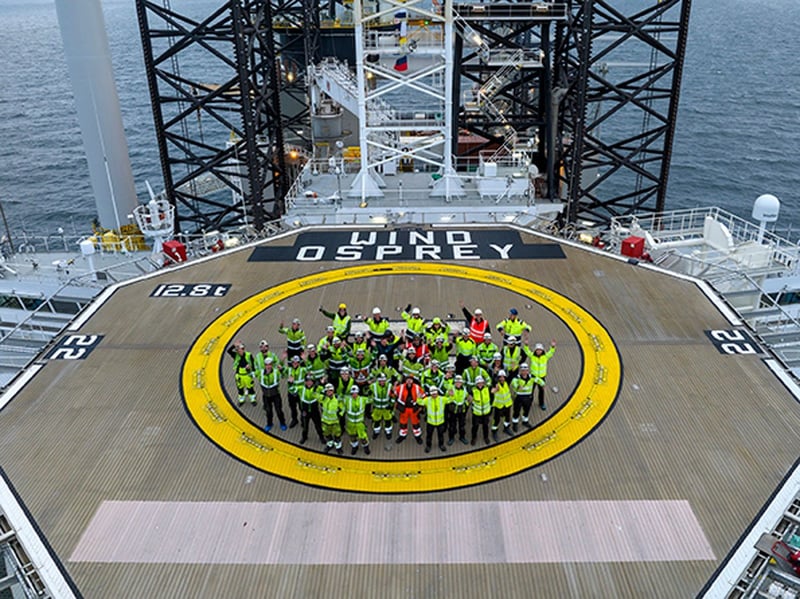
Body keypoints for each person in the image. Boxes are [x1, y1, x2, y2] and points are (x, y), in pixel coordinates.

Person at [257, 356, 287, 432]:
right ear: (265, 365)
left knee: (279, 410)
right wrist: (248, 369)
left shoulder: (276, 372)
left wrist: (282, 367)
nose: (268, 366)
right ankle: (269, 424)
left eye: (270, 364)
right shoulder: (260, 372)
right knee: (268, 411)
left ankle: (282, 423)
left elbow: (284, 375)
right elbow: (251, 374)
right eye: (267, 365)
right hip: (266, 396)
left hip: (275, 395)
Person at [394, 373, 425, 444]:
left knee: (416, 424)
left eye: (410, 380)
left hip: (414, 408)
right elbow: (394, 394)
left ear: (413, 380)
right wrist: (397, 406)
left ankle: (418, 436)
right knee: (403, 423)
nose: (409, 381)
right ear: (405, 380)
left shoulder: (417, 387)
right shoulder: (400, 387)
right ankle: (402, 436)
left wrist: (420, 407)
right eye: (407, 379)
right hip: (403, 408)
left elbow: (424, 397)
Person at [527, 339, 557, 410]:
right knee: (531, 391)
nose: (538, 351)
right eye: (537, 350)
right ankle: (529, 402)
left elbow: (551, 353)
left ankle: (541, 403)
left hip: (541, 377)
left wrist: (552, 347)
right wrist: (526, 345)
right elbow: (527, 351)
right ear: (535, 350)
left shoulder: (545, 357)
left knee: (541, 391)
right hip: (533, 377)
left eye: (540, 350)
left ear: (542, 351)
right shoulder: (532, 356)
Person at [418, 387, 450, 453]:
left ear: (437, 392)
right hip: (430, 422)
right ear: (430, 394)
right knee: (429, 435)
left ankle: (441, 445)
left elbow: (450, 400)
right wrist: (418, 398)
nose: (434, 395)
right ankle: (428, 446)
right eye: (433, 394)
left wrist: (452, 395)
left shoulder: (442, 399)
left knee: (441, 435)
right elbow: (420, 402)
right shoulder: (427, 400)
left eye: (435, 393)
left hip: (440, 422)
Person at [297, 373, 324, 445]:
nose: (309, 383)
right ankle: (304, 437)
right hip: (305, 411)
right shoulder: (301, 388)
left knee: (318, 425)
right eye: (307, 381)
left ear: (313, 382)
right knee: (305, 426)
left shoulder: (317, 388)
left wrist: (323, 384)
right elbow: (292, 390)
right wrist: (290, 383)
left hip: (314, 411)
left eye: (311, 381)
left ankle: (321, 437)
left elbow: (325, 391)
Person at [344, 385, 371, 455]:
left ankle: (366, 447)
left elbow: (372, 399)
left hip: (360, 423)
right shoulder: (346, 400)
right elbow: (339, 401)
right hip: (350, 424)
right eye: (353, 393)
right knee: (352, 437)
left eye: (356, 393)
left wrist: (369, 391)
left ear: (358, 392)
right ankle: (354, 447)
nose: (354, 395)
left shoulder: (363, 399)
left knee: (363, 437)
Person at [319, 383, 344, 454]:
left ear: (333, 391)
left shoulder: (337, 399)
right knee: (327, 434)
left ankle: (338, 447)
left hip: (335, 422)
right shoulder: (323, 398)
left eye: (330, 391)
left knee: (337, 435)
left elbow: (343, 408)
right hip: (325, 421)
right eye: (327, 391)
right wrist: (321, 385)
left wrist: (340, 414)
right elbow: (314, 394)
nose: (329, 392)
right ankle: (330, 444)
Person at [445, 374, 469, 445]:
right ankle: (451, 438)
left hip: (462, 410)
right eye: (457, 382)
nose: (458, 384)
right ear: (454, 382)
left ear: (462, 383)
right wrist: (449, 394)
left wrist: (467, 403)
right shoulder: (451, 388)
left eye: (459, 382)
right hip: (453, 411)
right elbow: (446, 398)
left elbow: (467, 397)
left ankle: (462, 437)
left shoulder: (464, 389)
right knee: (452, 426)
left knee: (462, 426)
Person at [370, 373, 395, 439]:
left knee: (388, 421)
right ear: (378, 380)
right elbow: (369, 395)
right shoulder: (373, 386)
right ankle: (376, 432)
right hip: (377, 408)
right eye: (380, 381)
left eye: (383, 381)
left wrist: (391, 405)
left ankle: (388, 432)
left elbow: (393, 397)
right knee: (376, 421)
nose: (382, 382)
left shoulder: (389, 386)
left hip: (386, 408)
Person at [511, 362, 534, 431]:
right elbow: (513, 383)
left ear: (527, 371)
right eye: (522, 371)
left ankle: (525, 421)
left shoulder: (531, 377)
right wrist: (518, 386)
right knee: (516, 411)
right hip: (519, 397)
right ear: (520, 371)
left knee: (526, 410)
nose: (524, 372)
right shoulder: (516, 378)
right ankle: (515, 423)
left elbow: (538, 380)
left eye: (525, 370)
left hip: (528, 397)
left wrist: (542, 384)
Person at [490, 370, 513, 441]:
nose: (502, 378)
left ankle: (506, 428)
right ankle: (494, 432)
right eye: (500, 377)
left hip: (507, 405)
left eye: (503, 377)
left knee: (507, 418)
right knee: (496, 420)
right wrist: (495, 390)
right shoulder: (496, 384)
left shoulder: (507, 383)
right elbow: (492, 390)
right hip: (498, 406)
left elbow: (512, 375)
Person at [284, 354, 306, 428]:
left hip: (300, 393)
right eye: (293, 362)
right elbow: (281, 370)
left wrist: (305, 360)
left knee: (302, 408)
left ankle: (303, 420)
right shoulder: (289, 369)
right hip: (291, 393)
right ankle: (294, 419)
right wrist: (282, 360)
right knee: (293, 408)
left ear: (299, 363)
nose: (295, 364)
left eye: (296, 363)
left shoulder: (303, 370)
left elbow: (310, 370)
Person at [470, 376, 491, 446]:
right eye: (478, 383)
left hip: (486, 412)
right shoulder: (472, 391)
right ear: (476, 384)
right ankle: (473, 438)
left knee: (485, 426)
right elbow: (468, 399)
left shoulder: (487, 389)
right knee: (475, 426)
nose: (480, 384)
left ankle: (486, 437)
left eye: (481, 383)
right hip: (476, 413)